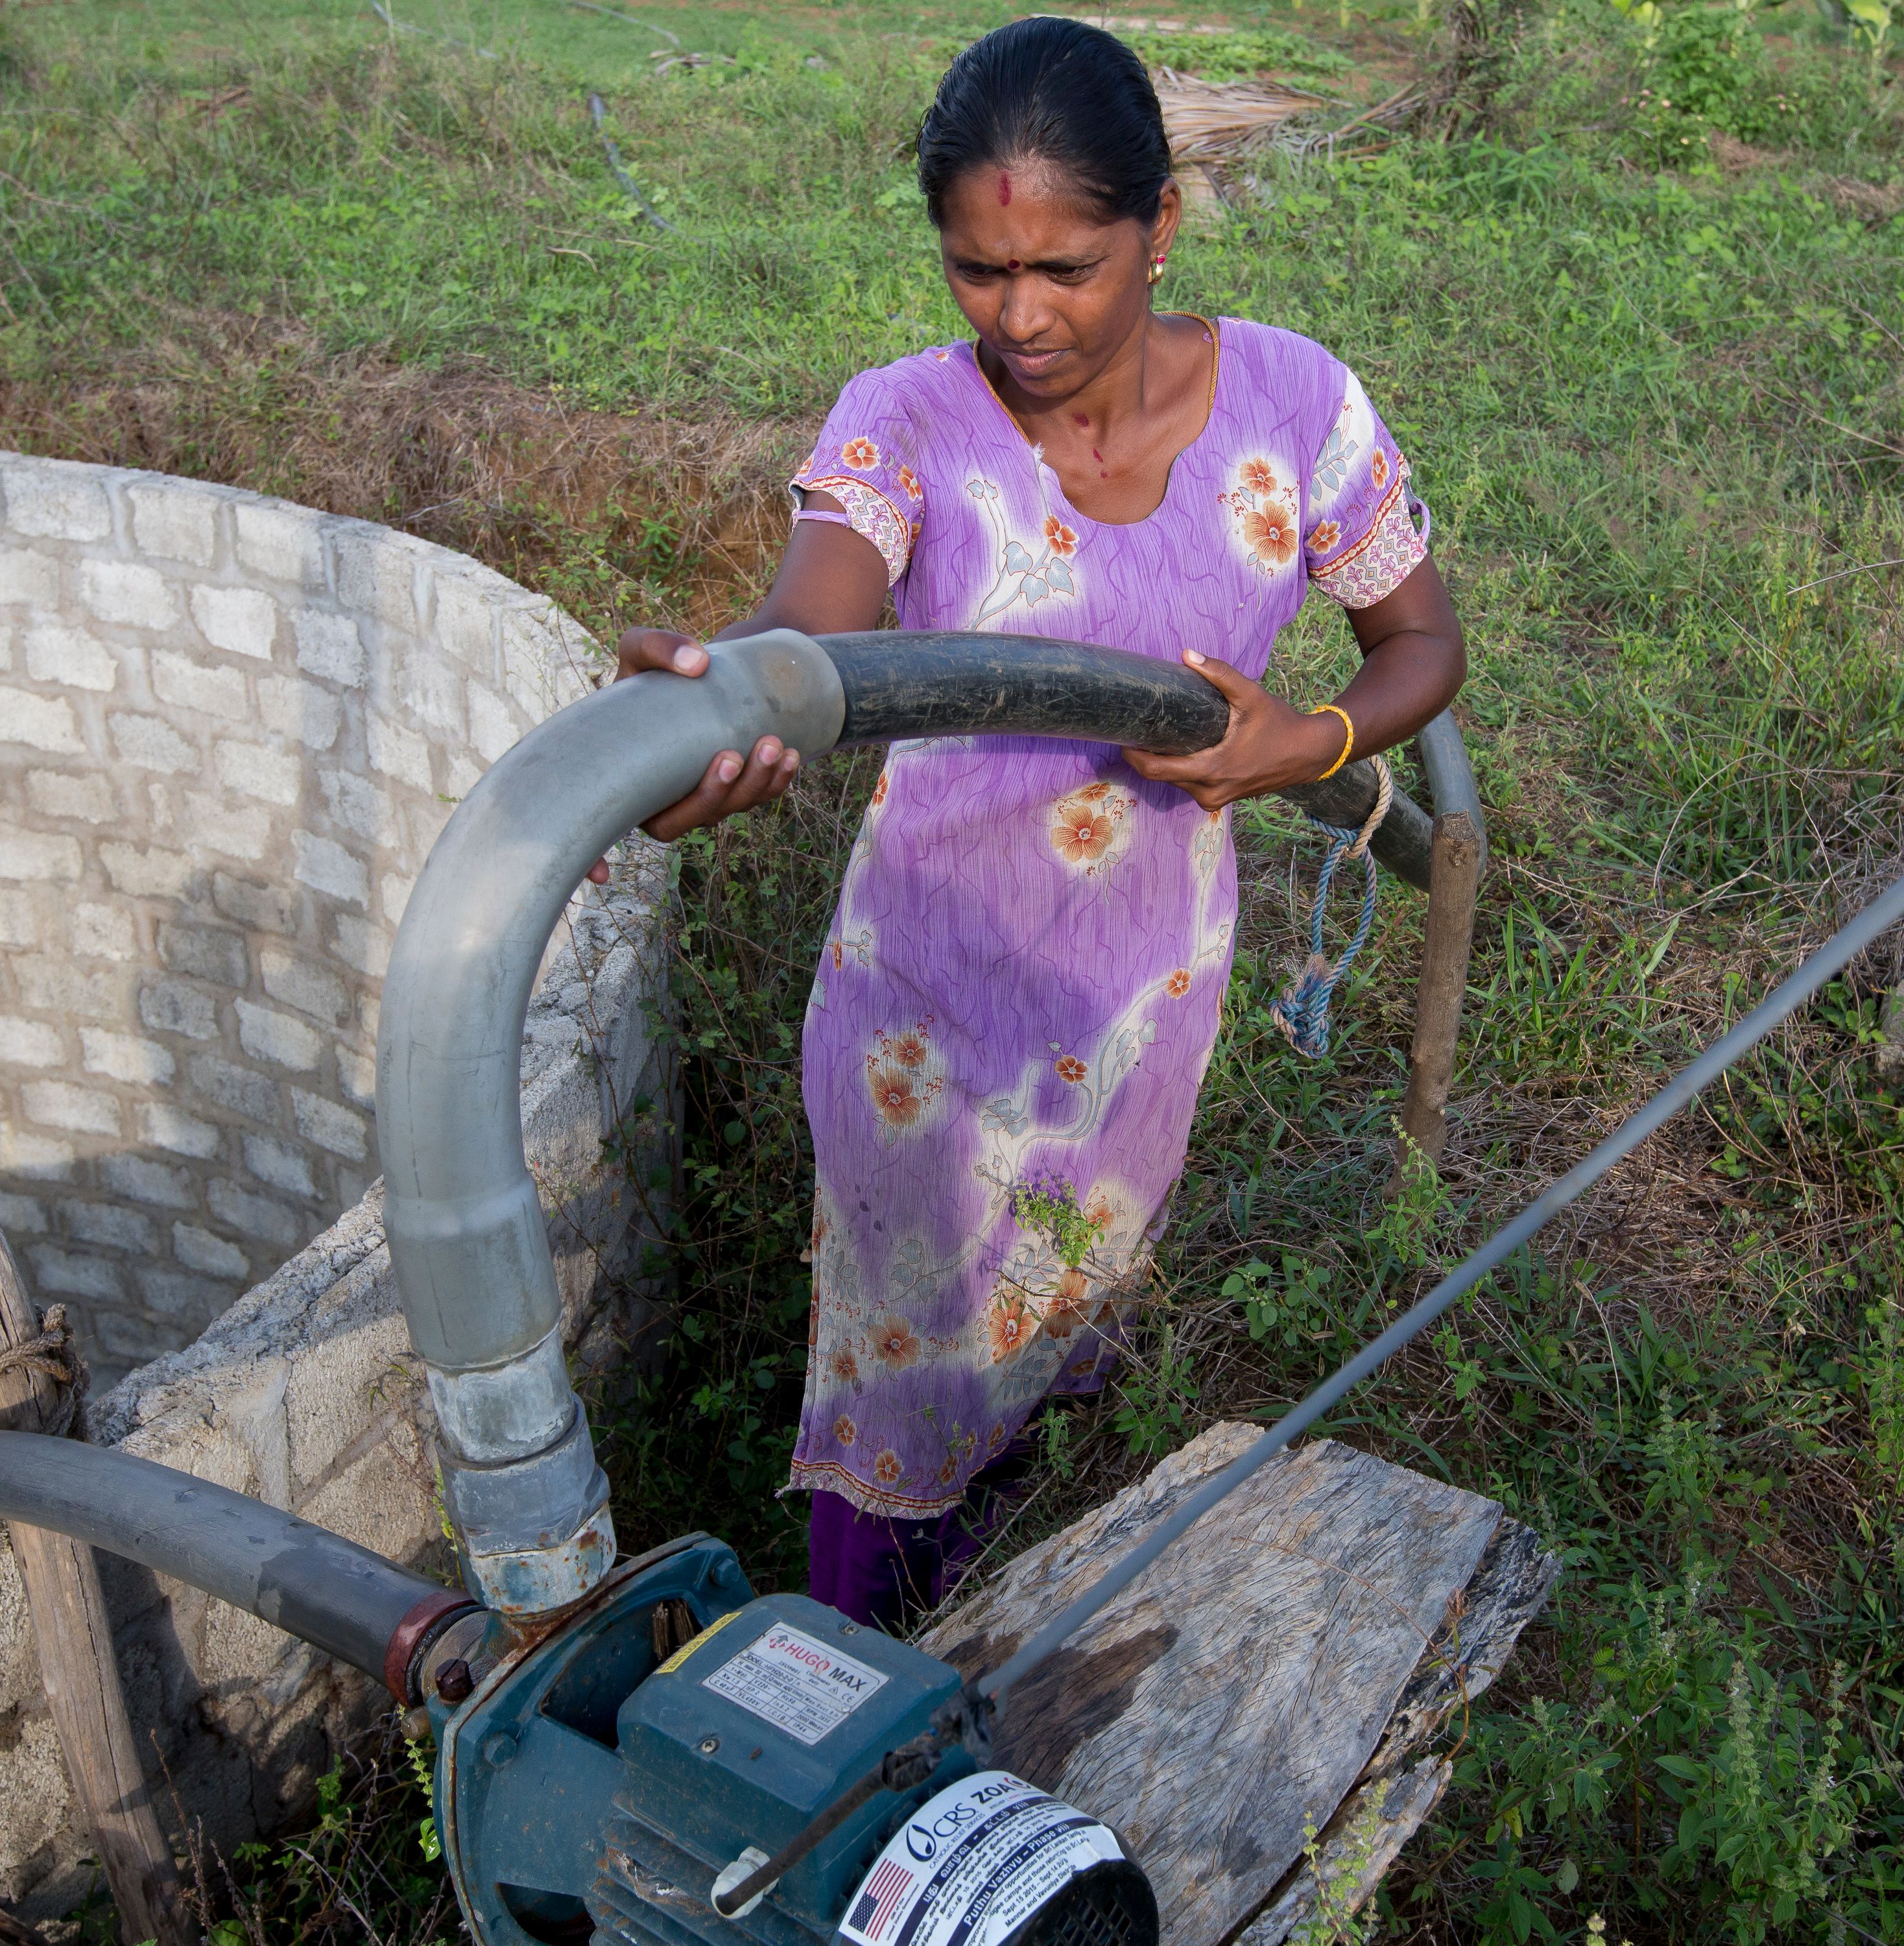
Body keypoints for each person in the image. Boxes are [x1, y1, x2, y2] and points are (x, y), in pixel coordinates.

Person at [609, 15, 1465, 1631]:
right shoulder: (907, 424)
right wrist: (715, 715)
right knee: (910, 1377)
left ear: (1160, 229)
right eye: (976, 273)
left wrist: (1319, 739)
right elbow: (813, 629)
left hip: (1141, 993)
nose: (1020, 318)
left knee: (1072, 1323)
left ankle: (1022, 1636)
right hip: (920, 1006)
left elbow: (1422, 644)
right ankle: (865, 1690)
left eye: (1066, 268)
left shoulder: (1295, 402)